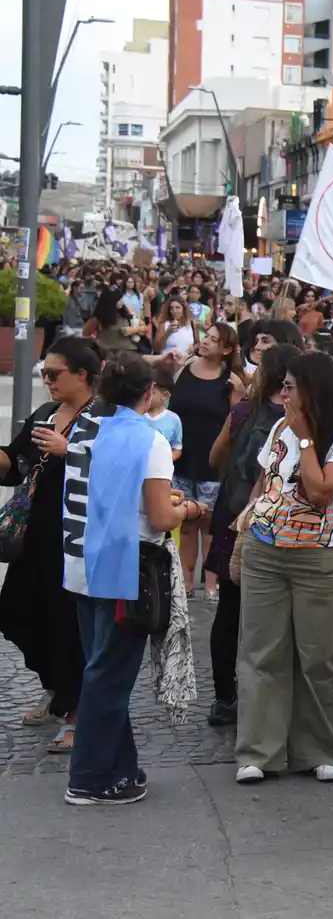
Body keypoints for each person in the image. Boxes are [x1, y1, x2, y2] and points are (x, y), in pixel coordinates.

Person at [59, 353, 199, 806]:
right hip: (126, 568)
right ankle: (89, 778)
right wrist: (188, 509)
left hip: (83, 561)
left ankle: (121, 769)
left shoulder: (84, 427)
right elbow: (160, 517)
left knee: (100, 671)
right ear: (150, 393)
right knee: (109, 676)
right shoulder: (151, 439)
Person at [235, 351, 333, 785]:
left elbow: (320, 491)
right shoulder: (278, 427)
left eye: (291, 386)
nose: (283, 393)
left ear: (313, 390)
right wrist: (249, 515)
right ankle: (259, 751)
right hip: (266, 551)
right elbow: (265, 479)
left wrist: (307, 437)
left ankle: (317, 751)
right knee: (262, 653)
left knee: (319, 658)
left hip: (323, 558)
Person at [0, 336, 98, 754]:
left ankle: (75, 711)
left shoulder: (103, 418)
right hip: (35, 539)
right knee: (23, 613)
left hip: (76, 541)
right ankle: (54, 688)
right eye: (45, 373)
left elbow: (118, 472)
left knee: (67, 625)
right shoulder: (45, 413)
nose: (48, 380)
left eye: (54, 374)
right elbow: (14, 461)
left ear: (82, 374)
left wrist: (69, 450)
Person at [201, 343, 302, 728]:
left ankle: (224, 697)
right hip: (282, 522)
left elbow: (215, 459)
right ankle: (273, 699)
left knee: (229, 611)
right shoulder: (304, 417)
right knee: (280, 616)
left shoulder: (244, 410)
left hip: (236, 521)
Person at [171, 321, 243, 601]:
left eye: (214, 339)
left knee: (210, 527)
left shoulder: (231, 380)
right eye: (206, 336)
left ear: (226, 349)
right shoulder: (184, 369)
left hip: (213, 463)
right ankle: (186, 582)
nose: (206, 341)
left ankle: (211, 584)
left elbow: (237, 420)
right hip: (182, 459)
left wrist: (237, 395)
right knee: (186, 522)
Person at [144, 366, 184, 462]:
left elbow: (177, 449)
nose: (145, 395)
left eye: (152, 392)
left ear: (164, 395)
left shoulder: (174, 420)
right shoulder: (136, 414)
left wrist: (163, 462)